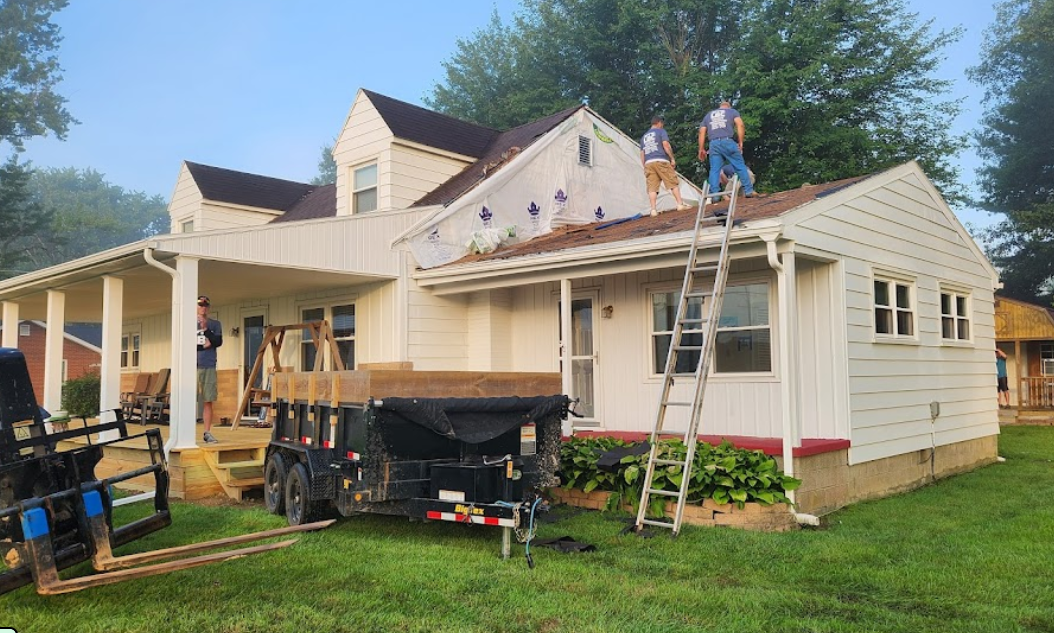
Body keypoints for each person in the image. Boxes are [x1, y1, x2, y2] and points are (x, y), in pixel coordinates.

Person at [698, 101, 757, 199]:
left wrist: (701, 149)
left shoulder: (708, 115)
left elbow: (701, 132)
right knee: (740, 166)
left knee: (714, 170)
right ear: (728, 107)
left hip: (713, 144)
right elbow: (740, 125)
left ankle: (715, 196)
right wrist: (741, 142)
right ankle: (748, 191)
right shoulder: (732, 112)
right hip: (727, 141)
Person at [640, 115, 691, 217]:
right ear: (659, 123)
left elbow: (642, 153)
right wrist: (672, 158)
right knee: (672, 182)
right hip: (661, 160)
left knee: (652, 188)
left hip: (648, 162)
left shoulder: (644, 137)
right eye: (662, 124)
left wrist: (644, 165)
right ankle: (680, 204)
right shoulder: (660, 131)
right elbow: (666, 145)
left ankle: (653, 210)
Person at [196, 295, 223, 443]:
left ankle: (207, 432)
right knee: (188, 399)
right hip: (191, 366)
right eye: (200, 305)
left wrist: (206, 329)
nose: (203, 308)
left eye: (205, 305)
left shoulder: (215, 324)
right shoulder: (188, 323)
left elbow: (217, 341)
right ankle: (185, 431)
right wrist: (204, 344)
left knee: (208, 399)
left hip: (209, 365)